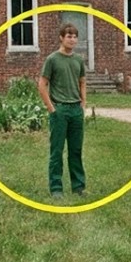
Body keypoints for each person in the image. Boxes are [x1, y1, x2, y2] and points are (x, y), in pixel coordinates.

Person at [38, 24, 87, 199]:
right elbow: (42, 84)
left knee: (76, 150)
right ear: (61, 37)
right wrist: (51, 108)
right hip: (59, 110)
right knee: (57, 151)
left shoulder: (79, 60)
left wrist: (83, 104)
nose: (72, 39)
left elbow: (82, 82)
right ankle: (56, 188)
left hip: (76, 110)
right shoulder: (52, 59)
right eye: (69, 36)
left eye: (75, 36)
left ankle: (79, 186)